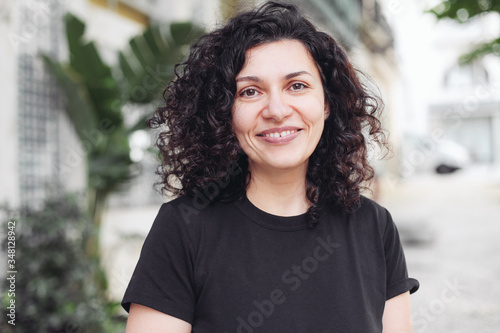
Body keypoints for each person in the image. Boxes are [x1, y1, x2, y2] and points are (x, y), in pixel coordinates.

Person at [122, 2, 419, 332]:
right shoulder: (184, 229)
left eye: (297, 85)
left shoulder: (374, 227)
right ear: (223, 113)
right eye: (250, 91)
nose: (277, 110)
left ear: (326, 104)